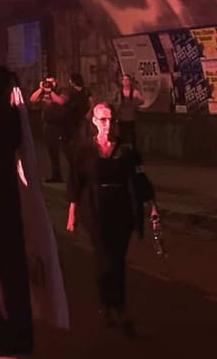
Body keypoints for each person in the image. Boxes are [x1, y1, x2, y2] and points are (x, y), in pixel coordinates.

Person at [66, 102, 159, 335]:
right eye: (102, 119)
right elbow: (76, 182)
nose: (106, 124)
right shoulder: (85, 149)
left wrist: (152, 207)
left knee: (117, 259)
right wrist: (72, 214)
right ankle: (110, 305)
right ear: (94, 122)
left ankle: (118, 305)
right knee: (104, 258)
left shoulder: (125, 149)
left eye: (110, 119)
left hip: (121, 209)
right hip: (95, 209)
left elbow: (139, 179)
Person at [30, 75, 69, 182]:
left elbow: (61, 101)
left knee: (67, 151)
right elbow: (32, 100)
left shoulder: (62, 90)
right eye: (47, 82)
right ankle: (56, 176)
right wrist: (41, 89)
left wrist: (51, 91)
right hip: (48, 125)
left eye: (51, 82)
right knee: (52, 152)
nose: (49, 84)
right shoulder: (43, 91)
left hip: (60, 125)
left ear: (56, 82)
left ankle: (73, 175)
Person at [116, 73, 143, 146]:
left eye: (127, 79)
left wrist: (135, 103)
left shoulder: (135, 92)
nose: (125, 81)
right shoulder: (119, 93)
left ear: (130, 81)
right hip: (122, 118)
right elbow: (117, 104)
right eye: (123, 80)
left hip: (131, 118)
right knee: (122, 136)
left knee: (131, 136)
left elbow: (142, 101)